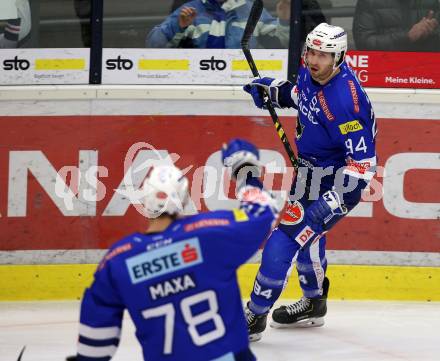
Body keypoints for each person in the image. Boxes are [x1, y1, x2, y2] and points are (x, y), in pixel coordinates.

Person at [68, 139, 279, 361]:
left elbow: (96, 338)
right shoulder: (210, 234)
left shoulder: (117, 260)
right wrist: (244, 170)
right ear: (185, 198)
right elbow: (264, 212)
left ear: (145, 202)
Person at [243, 23, 377, 341]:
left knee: (283, 242)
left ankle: (254, 315)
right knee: (309, 239)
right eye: (311, 52)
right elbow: (301, 96)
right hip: (308, 173)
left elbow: (362, 168)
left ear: (339, 57)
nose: (314, 60)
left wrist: (327, 205)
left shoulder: (346, 103)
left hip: (334, 181)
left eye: (323, 55)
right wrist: (275, 91)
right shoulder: (310, 72)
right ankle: (314, 303)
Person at [146, 0, 291, 49]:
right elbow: (153, 45)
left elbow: (284, 45)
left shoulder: (251, 9)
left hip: (243, 83)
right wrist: (178, 26)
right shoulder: (191, 9)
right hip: (196, 86)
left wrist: (284, 20)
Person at [352, 0, 440, 52]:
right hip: (384, 71)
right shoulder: (369, 2)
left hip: (424, 71)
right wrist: (407, 37)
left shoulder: (430, 2)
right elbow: (363, 43)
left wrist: (430, 34)